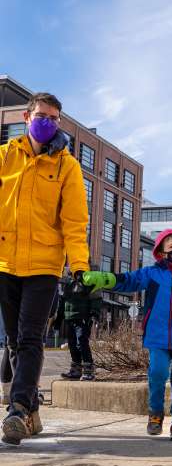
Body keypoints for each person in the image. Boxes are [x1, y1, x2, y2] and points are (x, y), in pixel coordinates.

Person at [0, 92, 90, 445]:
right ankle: (31, 413)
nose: (46, 122)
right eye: (41, 115)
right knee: (11, 342)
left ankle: (18, 409)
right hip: (5, 263)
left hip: (43, 267)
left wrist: (79, 266)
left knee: (30, 337)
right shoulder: (6, 157)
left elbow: (74, 221)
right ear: (26, 116)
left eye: (53, 118)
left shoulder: (67, 166)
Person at [82, 229, 172, 441]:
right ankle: (155, 414)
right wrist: (105, 278)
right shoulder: (152, 273)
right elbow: (128, 281)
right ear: (161, 252)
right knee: (157, 374)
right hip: (157, 337)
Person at [60, 274, 101, 381]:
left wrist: (94, 314)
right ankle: (76, 370)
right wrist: (59, 318)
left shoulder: (90, 282)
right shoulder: (69, 283)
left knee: (81, 343)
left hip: (83, 318)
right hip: (70, 318)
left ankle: (89, 371)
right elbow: (63, 301)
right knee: (72, 344)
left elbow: (96, 299)